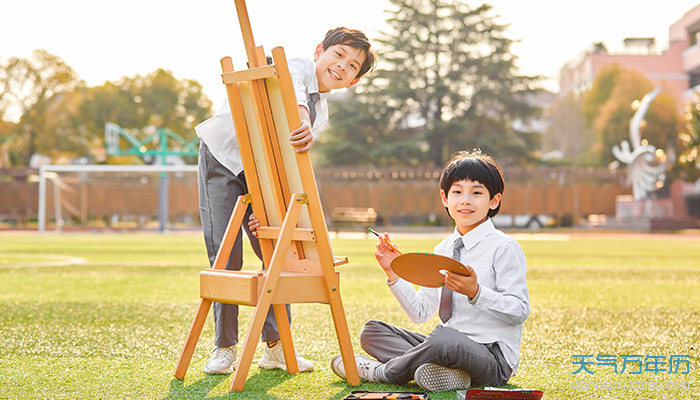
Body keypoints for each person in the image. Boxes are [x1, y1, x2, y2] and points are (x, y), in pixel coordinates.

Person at [196, 27, 376, 375]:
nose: (342, 66)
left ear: (353, 82)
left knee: (276, 248)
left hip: (264, 168)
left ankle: (277, 347)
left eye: (352, 66)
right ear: (319, 50)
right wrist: (300, 116)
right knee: (226, 251)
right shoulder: (294, 67)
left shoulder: (321, 112)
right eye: (338, 55)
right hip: (224, 155)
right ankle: (224, 346)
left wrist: (270, 208)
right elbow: (288, 84)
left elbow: (288, 164)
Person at [330, 150, 530, 392]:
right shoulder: (443, 249)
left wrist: (476, 292)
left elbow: (519, 310)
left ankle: (384, 372)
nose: (465, 200)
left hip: (492, 359)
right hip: (447, 348)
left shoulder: (504, 247)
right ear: (445, 198)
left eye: (476, 193)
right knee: (372, 332)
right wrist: (393, 271)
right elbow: (421, 311)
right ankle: (447, 373)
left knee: (444, 339)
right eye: (457, 192)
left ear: (494, 201)